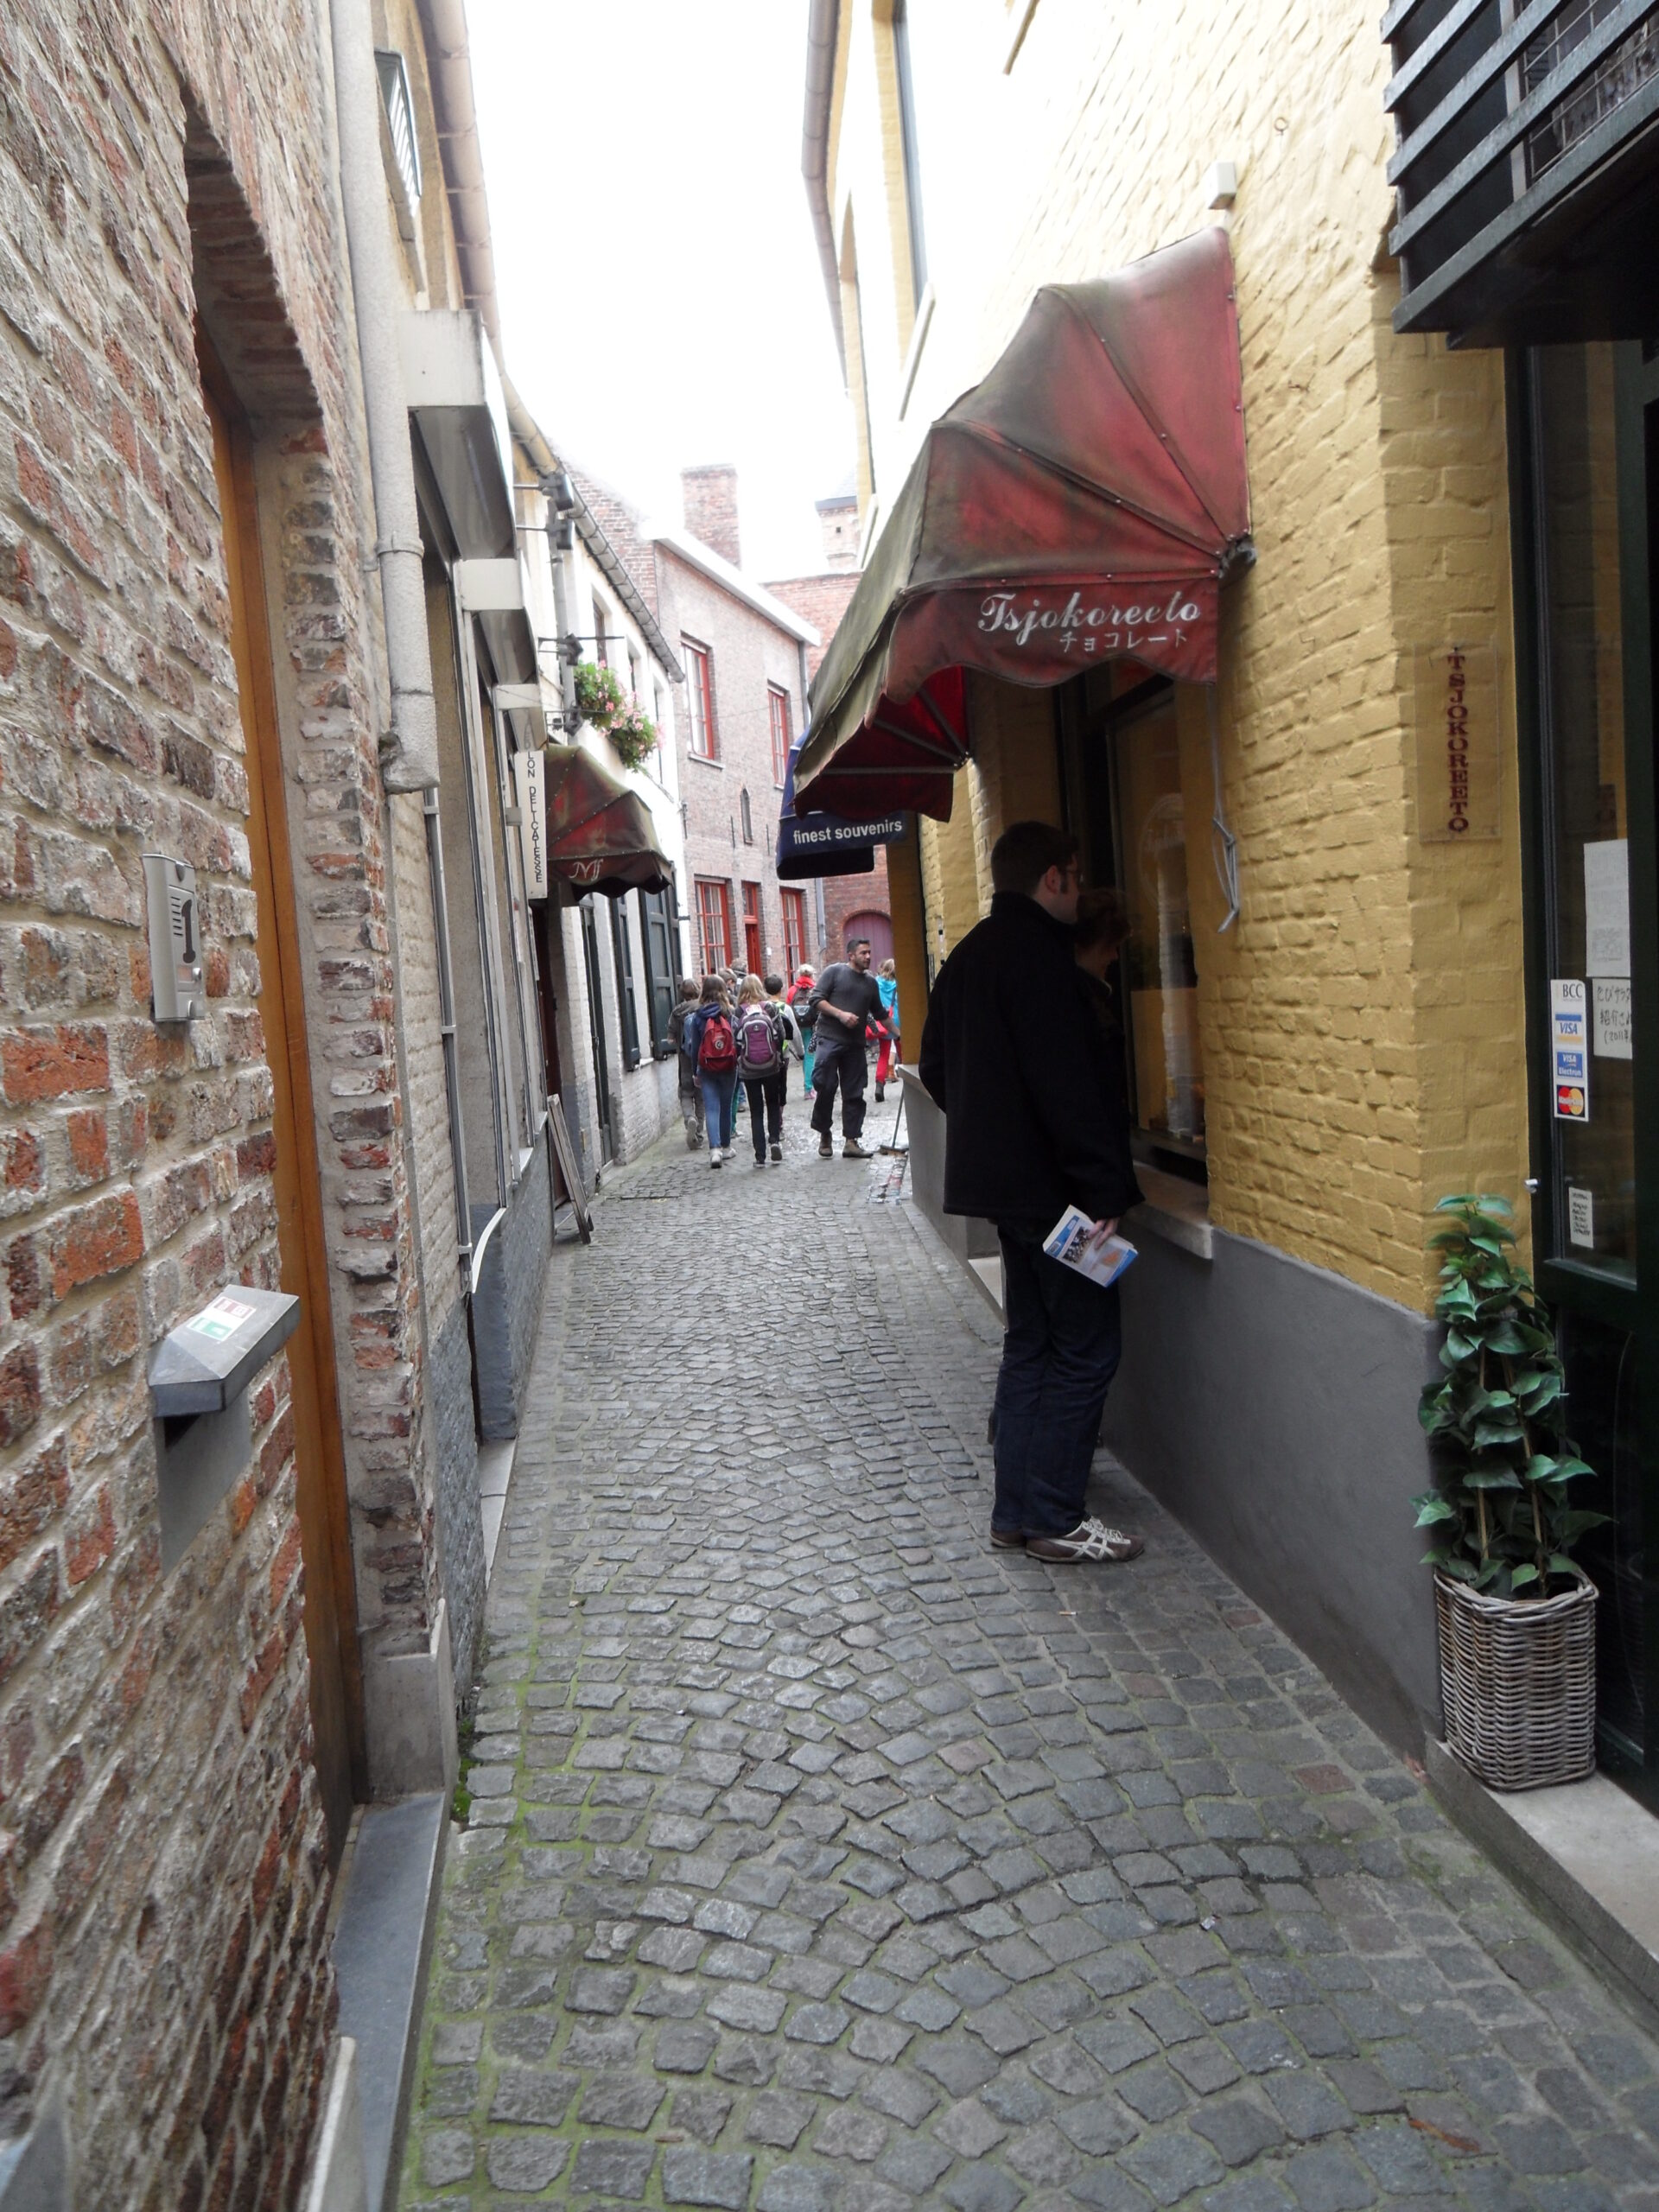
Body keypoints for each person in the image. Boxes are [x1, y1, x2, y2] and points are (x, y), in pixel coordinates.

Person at [918, 821, 1145, 1565]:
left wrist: (995, 1137)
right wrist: (1104, 1186)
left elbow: (937, 1068)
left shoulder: (970, 958)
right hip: (1061, 1200)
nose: (1079, 892)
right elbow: (1069, 1089)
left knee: (1031, 1343)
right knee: (1085, 1348)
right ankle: (1054, 1517)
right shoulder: (1044, 962)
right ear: (1054, 878)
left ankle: (1014, 1513)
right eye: (1075, 877)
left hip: (1008, 1198)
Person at [808, 938, 884, 1160]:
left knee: (854, 1092)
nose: (868, 956)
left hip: (855, 1045)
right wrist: (841, 1015)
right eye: (863, 953)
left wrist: (899, 1035)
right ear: (851, 955)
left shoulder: (870, 983)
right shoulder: (834, 972)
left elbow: (879, 1013)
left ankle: (851, 1140)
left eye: (870, 952)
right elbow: (816, 999)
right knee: (826, 1086)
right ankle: (824, 1132)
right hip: (829, 1039)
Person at [684, 976, 740, 1168]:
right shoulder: (730, 1014)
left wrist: (695, 1072)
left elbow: (694, 1048)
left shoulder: (698, 1017)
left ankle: (714, 1150)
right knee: (726, 1107)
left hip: (707, 1069)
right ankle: (726, 1147)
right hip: (729, 1067)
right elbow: (737, 1042)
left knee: (711, 1109)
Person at [734, 976, 788, 1166]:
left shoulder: (739, 1011)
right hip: (771, 1065)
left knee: (756, 1110)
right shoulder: (770, 1008)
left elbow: (736, 1040)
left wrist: (740, 1059)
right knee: (773, 1104)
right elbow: (780, 1034)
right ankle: (774, 1141)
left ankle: (760, 1156)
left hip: (748, 1068)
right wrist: (777, 1054)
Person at [666, 976, 704, 1150]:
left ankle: (690, 1118)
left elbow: (670, 1039)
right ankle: (699, 1134)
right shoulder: (704, 1008)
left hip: (685, 1059)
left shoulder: (677, 1011)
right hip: (703, 1058)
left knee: (686, 1092)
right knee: (702, 1096)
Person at [787, 964, 817, 1098]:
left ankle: (807, 1085)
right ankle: (809, 1088)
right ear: (811, 975)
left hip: (797, 1026)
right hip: (811, 1025)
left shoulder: (792, 990)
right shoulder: (815, 989)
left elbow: (788, 1007)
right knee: (810, 1055)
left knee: (803, 1054)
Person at [874, 957, 900, 1102]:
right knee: (904, 1054)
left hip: (883, 1021)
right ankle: (911, 1083)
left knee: (883, 1054)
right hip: (899, 1023)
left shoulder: (876, 983)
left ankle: (879, 1085)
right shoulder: (899, 983)